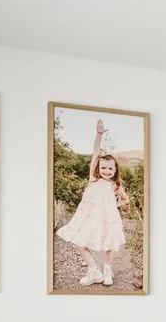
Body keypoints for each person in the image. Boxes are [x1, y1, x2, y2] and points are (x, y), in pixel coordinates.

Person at [56, 117, 131, 286]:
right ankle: (93, 271)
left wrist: (114, 205)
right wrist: (99, 135)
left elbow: (126, 199)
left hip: (109, 219)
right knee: (78, 241)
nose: (107, 171)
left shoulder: (115, 185)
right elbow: (96, 153)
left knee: (109, 246)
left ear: (115, 170)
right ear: (98, 168)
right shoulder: (93, 179)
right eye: (103, 167)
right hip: (90, 218)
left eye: (110, 168)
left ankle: (107, 271)